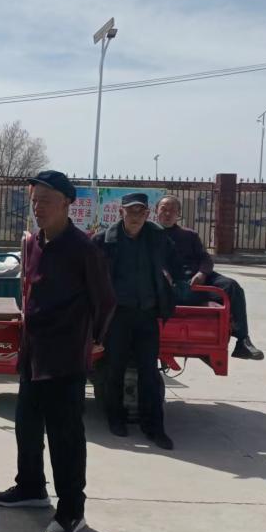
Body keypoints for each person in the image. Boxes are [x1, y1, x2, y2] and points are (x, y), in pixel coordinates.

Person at [0, 171, 116, 532]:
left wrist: (95, 339)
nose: (38, 207)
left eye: (46, 200)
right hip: (33, 352)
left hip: (64, 358)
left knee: (65, 436)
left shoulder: (83, 249)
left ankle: (71, 510)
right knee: (26, 425)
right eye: (34, 200)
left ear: (67, 203)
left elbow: (105, 300)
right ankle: (31, 487)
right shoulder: (33, 244)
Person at [93, 192, 179, 450]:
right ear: (121, 212)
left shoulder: (157, 237)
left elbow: (177, 264)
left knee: (149, 372)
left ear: (147, 214)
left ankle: (154, 427)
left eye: (140, 211)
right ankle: (115, 419)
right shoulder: (104, 240)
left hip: (147, 314)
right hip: (118, 315)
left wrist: (174, 283)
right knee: (115, 368)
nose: (135, 216)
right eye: (130, 211)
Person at [156, 195, 264, 360]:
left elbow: (205, 259)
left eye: (172, 210)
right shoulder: (150, 235)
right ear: (156, 211)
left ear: (178, 214)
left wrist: (202, 273)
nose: (167, 213)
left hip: (197, 280)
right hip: (172, 284)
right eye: (164, 209)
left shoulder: (189, 235)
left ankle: (242, 340)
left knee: (231, 286)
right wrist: (162, 272)